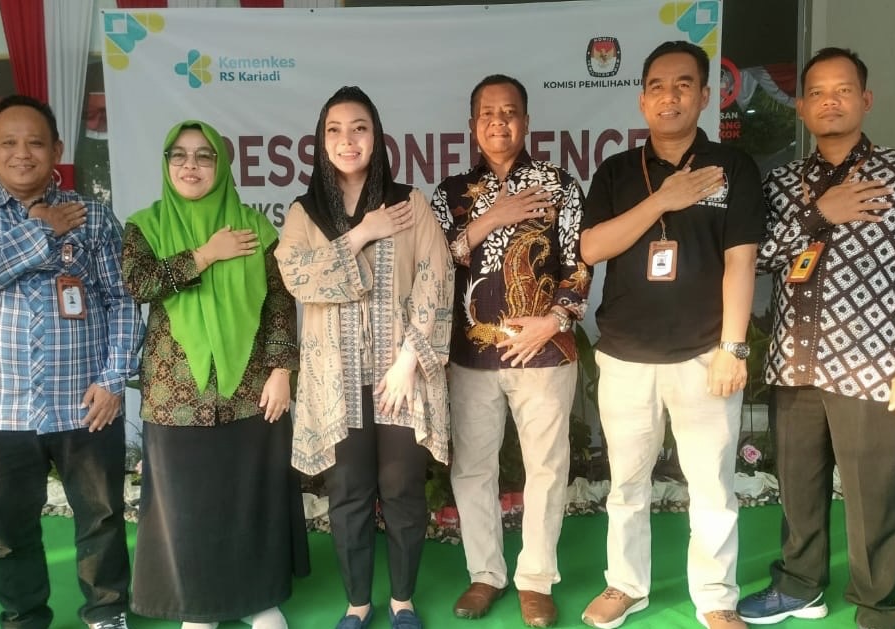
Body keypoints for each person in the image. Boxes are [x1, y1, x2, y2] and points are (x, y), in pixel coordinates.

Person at [737, 48, 895, 629]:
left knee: (873, 493)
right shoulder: (782, 183)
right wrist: (819, 214)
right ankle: (800, 585)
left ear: (866, 99)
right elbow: (754, 258)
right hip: (794, 361)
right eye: (817, 92)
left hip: (872, 364)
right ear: (801, 107)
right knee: (798, 488)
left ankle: (878, 605)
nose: (829, 101)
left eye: (842, 90)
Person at [0, 94, 143, 629]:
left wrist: (113, 380)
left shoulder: (93, 216)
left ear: (57, 149)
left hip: (85, 404)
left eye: (35, 142)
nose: (22, 153)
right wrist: (43, 227)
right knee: (10, 529)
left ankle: (106, 610)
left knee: (101, 518)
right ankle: (24, 616)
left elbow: (121, 302)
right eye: (9, 142)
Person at [578, 41, 764, 629]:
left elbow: (741, 261)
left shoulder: (731, 168)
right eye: (657, 86)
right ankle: (625, 585)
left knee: (711, 486)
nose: (670, 96)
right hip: (626, 355)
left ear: (705, 96)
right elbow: (591, 248)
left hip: (704, 353)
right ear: (642, 99)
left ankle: (715, 596)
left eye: (684, 84)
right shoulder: (616, 171)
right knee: (626, 485)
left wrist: (733, 348)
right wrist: (664, 199)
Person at [275, 86, 454, 629]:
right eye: (334, 129)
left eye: (359, 128)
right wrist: (362, 234)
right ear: (321, 140)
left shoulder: (409, 204)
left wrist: (407, 362)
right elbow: (298, 277)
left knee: (402, 491)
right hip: (337, 381)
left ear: (376, 137)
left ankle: (402, 601)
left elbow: (436, 279)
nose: (347, 139)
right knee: (348, 494)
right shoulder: (305, 212)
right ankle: (357, 602)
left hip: (401, 378)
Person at [121, 120, 310, 629]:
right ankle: (199, 609)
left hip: (251, 392)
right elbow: (140, 284)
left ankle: (257, 601)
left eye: (204, 156)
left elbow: (278, 303)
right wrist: (206, 254)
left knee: (249, 497)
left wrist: (281, 370)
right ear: (166, 164)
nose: (191, 165)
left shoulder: (254, 228)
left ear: (221, 165)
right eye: (179, 155)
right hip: (176, 395)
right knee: (187, 505)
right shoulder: (145, 226)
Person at [430, 74, 592, 629]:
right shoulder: (451, 193)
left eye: (509, 112)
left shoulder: (558, 185)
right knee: (473, 467)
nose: (498, 121)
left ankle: (535, 579)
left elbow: (579, 264)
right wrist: (491, 219)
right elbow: (435, 263)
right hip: (472, 354)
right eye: (488, 113)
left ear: (526, 120)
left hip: (543, 351)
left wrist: (553, 320)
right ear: (472, 125)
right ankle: (486, 573)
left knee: (546, 467)